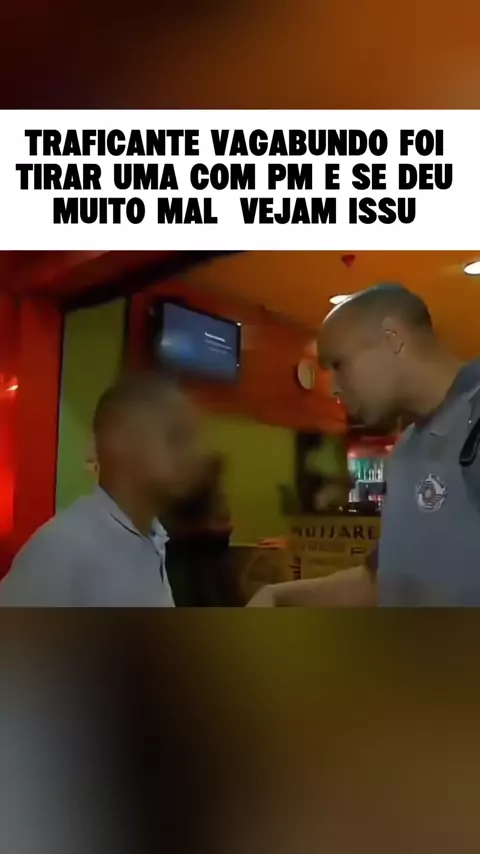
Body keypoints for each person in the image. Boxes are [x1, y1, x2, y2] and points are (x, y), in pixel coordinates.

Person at [249, 283, 480, 607]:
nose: (333, 389)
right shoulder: (407, 448)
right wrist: (280, 595)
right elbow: (381, 580)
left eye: (339, 365)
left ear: (392, 338)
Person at [0, 371, 203, 606]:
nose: (194, 454)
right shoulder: (63, 547)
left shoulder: (153, 540)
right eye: (176, 437)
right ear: (122, 442)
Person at [166, 454, 237, 606]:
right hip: (192, 572)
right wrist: (209, 530)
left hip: (214, 571)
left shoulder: (214, 499)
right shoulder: (178, 499)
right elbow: (170, 535)